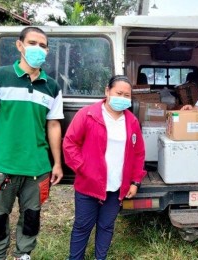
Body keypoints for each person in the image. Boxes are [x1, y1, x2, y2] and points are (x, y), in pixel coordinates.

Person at [0, 27, 64, 260]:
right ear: (19, 45)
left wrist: (57, 164)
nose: (38, 49)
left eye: (43, 46)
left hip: (37, 168)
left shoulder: (52, 86)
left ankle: (24, 255)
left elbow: (53, 126)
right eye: (33, 43)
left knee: (31, 218)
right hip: (1, 167)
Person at [63, 75, 146, 260]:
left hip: (116, 186)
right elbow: (70, 144)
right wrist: (83, 168)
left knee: (106, 226)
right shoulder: (88, 114)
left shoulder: (131, 121)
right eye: (119, 93)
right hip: (88, 185)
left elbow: (139, 154)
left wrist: (135, 182)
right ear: (107, 91)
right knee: (82, 226)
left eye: (127, 95)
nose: (122, 98)